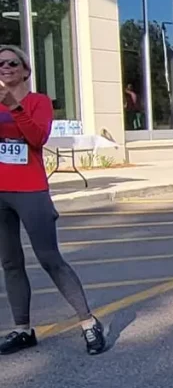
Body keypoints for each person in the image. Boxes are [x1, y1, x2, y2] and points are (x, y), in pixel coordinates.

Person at [0, 45, 106, 356]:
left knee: (49, 258)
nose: (5, 68)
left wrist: (13, 107)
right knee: (10, 262)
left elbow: (37, 138)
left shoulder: (38, 102)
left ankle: (88, 323)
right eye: (0, 64)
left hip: (30, 189)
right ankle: (22, 329)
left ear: (24, 70)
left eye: (11, 63)